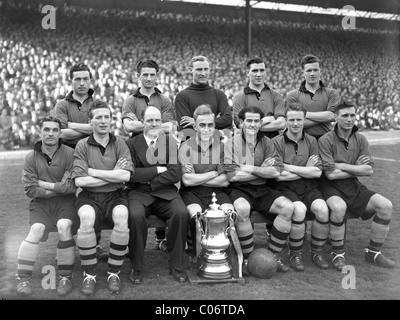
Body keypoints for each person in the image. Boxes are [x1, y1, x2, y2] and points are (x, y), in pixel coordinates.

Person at [318, 100, 395, 271]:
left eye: (352, 115)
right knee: (338, 208)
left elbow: (368, 170)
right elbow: (331, 174)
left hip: (352, 184)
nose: (349, 119)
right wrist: (356, 167)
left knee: (386, 206)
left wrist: (342, 165)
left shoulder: (360, 139)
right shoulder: (325, 140)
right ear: (335, 118)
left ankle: (373, 252)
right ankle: (338, 254)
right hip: (329, 186)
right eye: (345, 115)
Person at [71, 99, 134, 295]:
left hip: (115, 196)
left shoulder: (120, 143)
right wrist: (111, 176)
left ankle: (113, 273)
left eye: (107, 117)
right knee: (87, 219)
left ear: (111, 120)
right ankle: (89, 275)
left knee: (122, 218)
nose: (103, 121)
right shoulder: (82, 145)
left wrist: (93, 172)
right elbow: (80, 182)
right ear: (91, 121)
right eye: (99, 117)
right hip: (89, 196)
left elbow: (126, 176)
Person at [224, 105, 294, 273]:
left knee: (288, 207)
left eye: (256, 121)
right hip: (239, 189)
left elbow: (276, 171)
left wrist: (249, 168)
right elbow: (232, 176)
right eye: (249, 121)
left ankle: (272, 257)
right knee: (242, 209)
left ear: (261, 123)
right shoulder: (231, 143)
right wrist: (262, 170)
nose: (252, 125)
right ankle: (248, 259)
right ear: (241, 123)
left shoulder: (267, 142)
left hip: (263, 189)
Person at [125, 106, 188, 283]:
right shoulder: (130, 144)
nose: (154, 124)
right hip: (138, 193)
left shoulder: (169, 141)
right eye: (150, 120)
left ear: (162, 122)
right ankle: (136, 267)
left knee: (181, 213)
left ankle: (177, 265)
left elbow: (175, 173)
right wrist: (157, 169)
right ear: (142, 122)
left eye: (157, 120)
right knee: (135, 216)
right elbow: (131, 174)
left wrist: (150, 180)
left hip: (165, 191)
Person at [51, 63, 107, 260]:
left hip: (92, 153)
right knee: (66, 196)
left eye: (85, 79)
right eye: (77, 79)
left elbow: (100, 128)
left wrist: (73, 126)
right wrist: (89, 127)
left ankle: (95, 243)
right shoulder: (62, 105)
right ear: (70, 81)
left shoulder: (97, 103)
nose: (82, 83)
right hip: (67, 155)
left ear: (90, 80)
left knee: (94, 196)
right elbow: (61, 132)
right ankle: (65, 244)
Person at [16, 116, 77, 296]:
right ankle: (23, 278)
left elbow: (72, 187)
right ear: (39, 132)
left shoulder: (69, 153)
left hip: (66, 203)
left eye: (54, 130)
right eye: (46, 130)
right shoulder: (30, 157)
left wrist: (44, 184)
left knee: (64, 226)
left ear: (60, 133)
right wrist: (59, 188)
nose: (50, 134)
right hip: (41, 204)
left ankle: (65, 277)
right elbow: (30, 190)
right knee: (36, 229)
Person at [121, 59, 176, 251]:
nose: (149, 78)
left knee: (162, 181)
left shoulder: (165, 100)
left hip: (160, 146)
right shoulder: (130, 100)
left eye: (153, 74)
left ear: (157, 75)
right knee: (139, 182)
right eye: (145, 74)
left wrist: (143, 123)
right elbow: (128, 126)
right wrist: (153, 124)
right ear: (138, 76)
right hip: (136, 147)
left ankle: (161, 238)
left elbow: (170, 127)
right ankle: (132, 244)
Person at [272, 103, 330, 271]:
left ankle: (317, 252)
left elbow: (317, 173)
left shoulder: (312, 141)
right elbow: (277, 174)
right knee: (299, 210)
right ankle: (295, 254)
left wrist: (288, 166)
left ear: (304, 120)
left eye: (299, 119)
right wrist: (306, 168)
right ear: (286, 121)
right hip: (284, 187)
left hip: (309, 186)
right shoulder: (276, 142)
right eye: (291, 120)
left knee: (323, 210)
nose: (295, 123)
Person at [178, 104, 234, 264]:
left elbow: (225, 180)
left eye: (210, 125)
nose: (206, 129)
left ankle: (226, 256)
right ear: (195, 126)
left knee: (230, 213)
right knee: (196, 215)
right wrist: (213, 173)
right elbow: (187, 181)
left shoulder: (223, 147)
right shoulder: (185, 147)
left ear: (215, 127)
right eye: (202, 125)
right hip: (192, 193)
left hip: (217, 192)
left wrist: (199, 177)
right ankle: (196, 255)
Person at [286, 54, 340, 140]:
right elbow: (295, 123)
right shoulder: (292, 95)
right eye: (309, 70)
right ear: (302, 73)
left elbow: (332, 116)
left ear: (320, 71)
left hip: (327, 140)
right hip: (302, 141)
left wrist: (303, 114)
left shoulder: (332, 93)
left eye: (315, 70)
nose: (312, 73)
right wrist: (324, 118)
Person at [174, 55, 232, 132]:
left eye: (206, 69)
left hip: (215, 142)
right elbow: (186, 129)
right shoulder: (182, 96)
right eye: (199, 69)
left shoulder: (219, 94)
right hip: (191, 143)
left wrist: (196, 122)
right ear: (191, 70)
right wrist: (216, 122)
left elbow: (228, 120)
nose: (203, 73)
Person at [232, 57, 286, 139]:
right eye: (255, 71)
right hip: (250, 145)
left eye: (262, 70)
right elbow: (241, 125)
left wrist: (252, 125)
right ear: (247, 73)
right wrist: (269, 119)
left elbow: (281, 124)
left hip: (273, 144)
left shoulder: (276, 95)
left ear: (266, 72)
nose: (259, 74)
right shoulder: (239, 97)